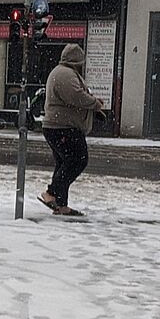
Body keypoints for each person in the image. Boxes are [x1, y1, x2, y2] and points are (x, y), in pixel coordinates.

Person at [40, 43, 105, 217]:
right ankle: (51, 193)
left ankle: (61, 205)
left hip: (58, 126)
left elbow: (74, 95)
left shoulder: (62, 72)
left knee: (64, 163)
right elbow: (75, 96)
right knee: (78, 160)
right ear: (77, 60)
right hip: (63, 127)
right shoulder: (65, 74)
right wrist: (94, 103)